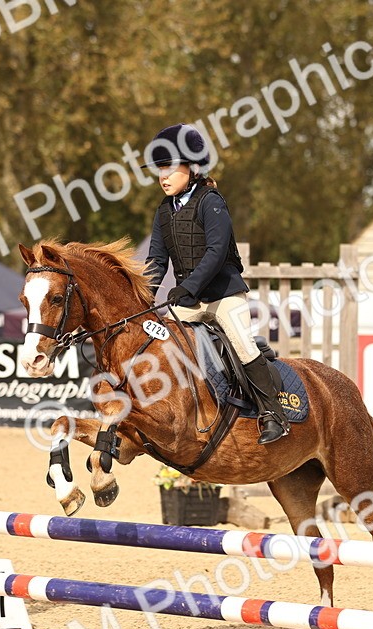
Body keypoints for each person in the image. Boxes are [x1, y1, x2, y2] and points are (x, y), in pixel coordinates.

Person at [143, 123, 289, 444]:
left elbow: (216, 252)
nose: (163, 177)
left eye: (169, 168)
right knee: (162, 346)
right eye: (159, 170)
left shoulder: (211, 201)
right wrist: (142, 298)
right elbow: (156, 260)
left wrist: (188, 286)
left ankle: (272, 413)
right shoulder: (163, 211)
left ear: (193, 168)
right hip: (189, 302)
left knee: (242, 344)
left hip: (223, 296)